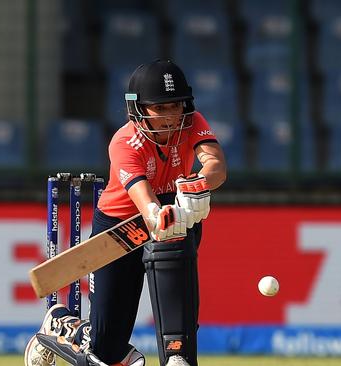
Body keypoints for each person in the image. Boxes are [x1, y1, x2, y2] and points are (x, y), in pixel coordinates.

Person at [25, 59, 227, 366]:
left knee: (179, 312)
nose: (171, 117)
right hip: (121, 225)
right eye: (160, 109)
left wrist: (197, 184)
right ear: (138, 109)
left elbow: (216, 165)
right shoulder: (124, 142)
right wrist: (158, 214)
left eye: (176, 106)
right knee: (106, 350)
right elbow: (144, 203)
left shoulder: (193, 121)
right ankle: (64, 325)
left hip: (173, 209)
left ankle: (178, 356)